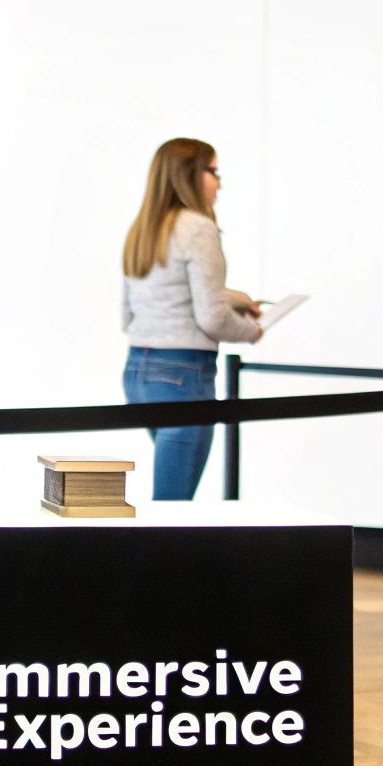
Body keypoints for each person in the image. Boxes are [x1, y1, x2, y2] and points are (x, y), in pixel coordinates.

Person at [120, 138, 263, 501]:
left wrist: (236, 299)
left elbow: (134, 309)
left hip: (139, 373)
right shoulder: (198, 227)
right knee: (172, 510)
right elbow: (212, 318)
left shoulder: (144, 229)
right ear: (190, 175)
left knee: (170, 507)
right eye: (213, 171)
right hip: (183, 375)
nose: (219, 182)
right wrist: (251, 330)